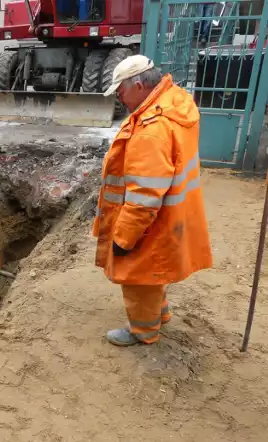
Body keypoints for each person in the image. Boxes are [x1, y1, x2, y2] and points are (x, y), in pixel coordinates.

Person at [94, 55, 212, 347]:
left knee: (138, 273)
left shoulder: (152, 131)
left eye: (120, 91)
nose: (119, 98)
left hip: (151, 219)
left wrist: (123, 238)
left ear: (138, 84)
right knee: (155, 268)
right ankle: (160, 313)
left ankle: (143, 330)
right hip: (172, 213)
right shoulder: (173, 102)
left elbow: (144, 197)